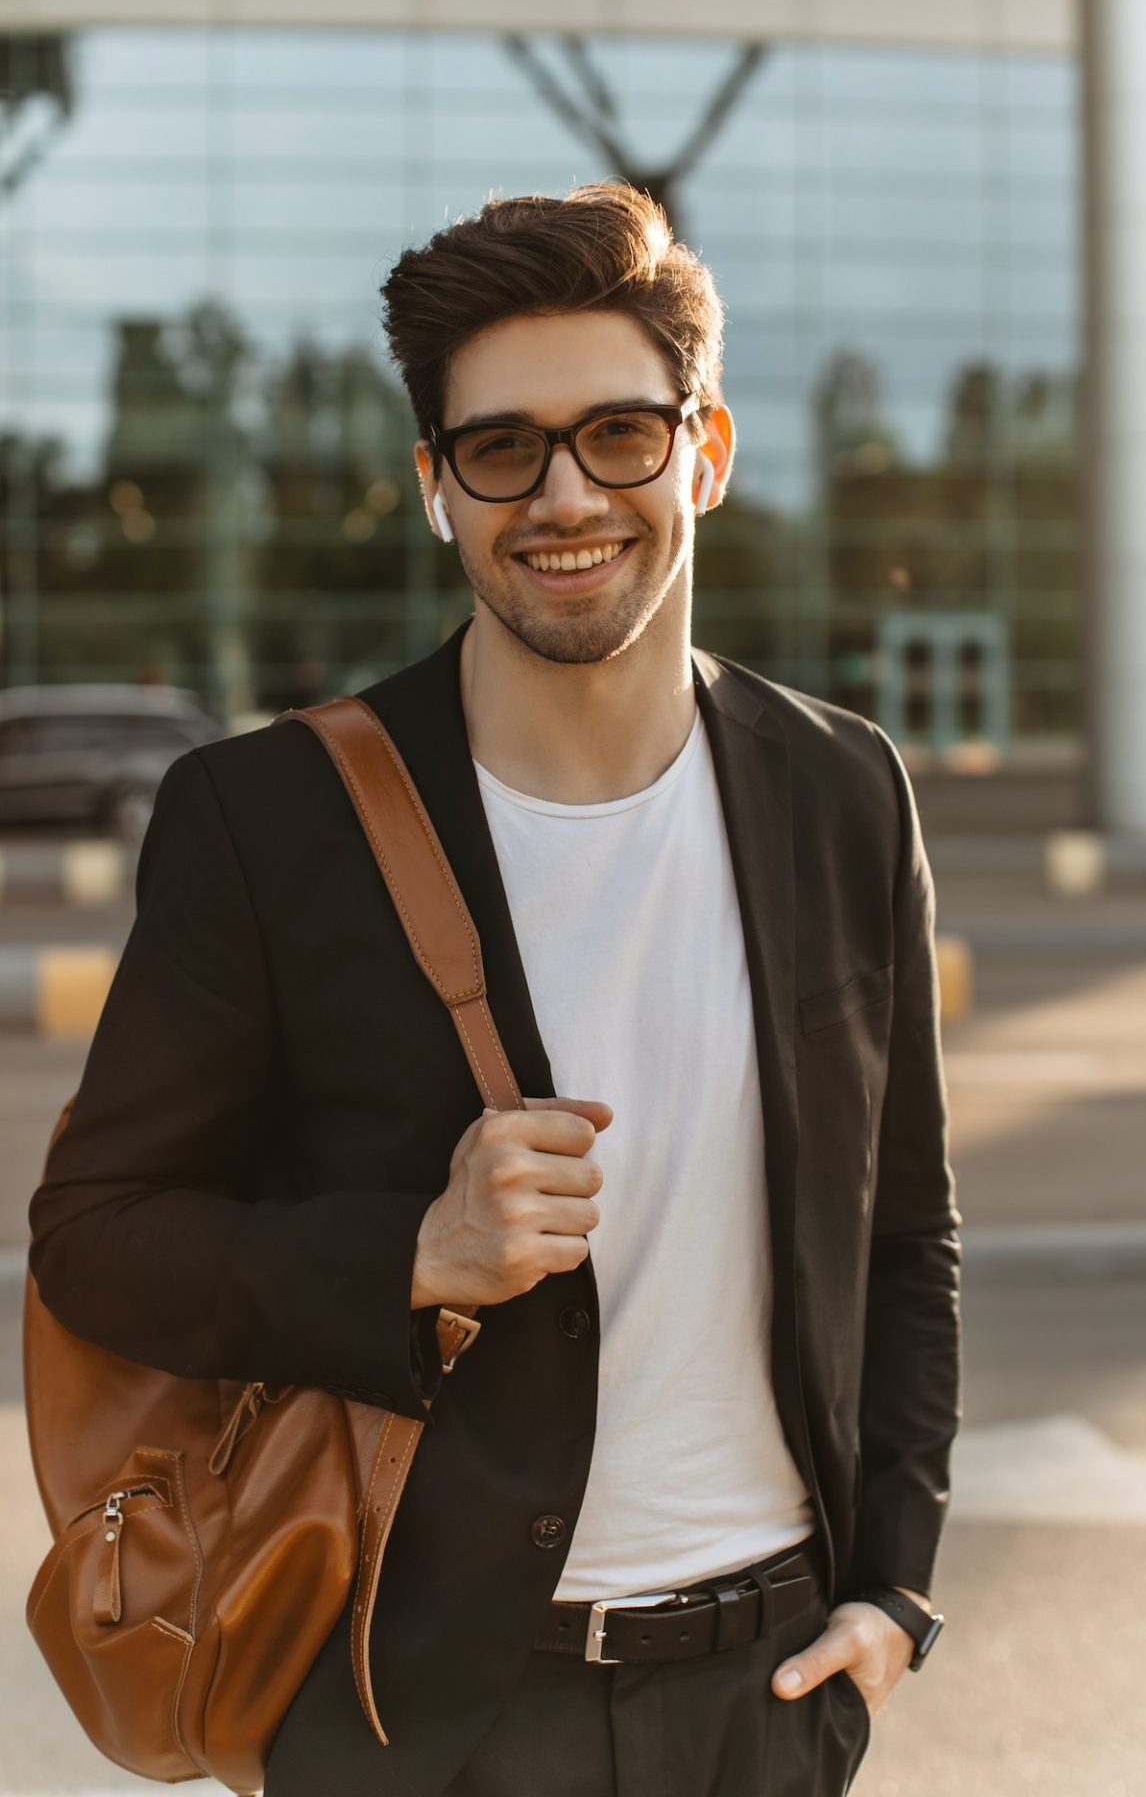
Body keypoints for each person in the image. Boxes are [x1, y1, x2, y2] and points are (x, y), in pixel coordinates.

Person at [27, 182, 961, 1797]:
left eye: (619, 432)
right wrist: (413, 1252)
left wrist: (896, 1587)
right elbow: (95, 1245)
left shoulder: (843, 790)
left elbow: (905, 1229)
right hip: (424, 1720)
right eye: (500, 448)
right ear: (434, 490)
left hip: (768, 1695)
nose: (564, 494)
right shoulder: (267, 820)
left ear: (707, 451)